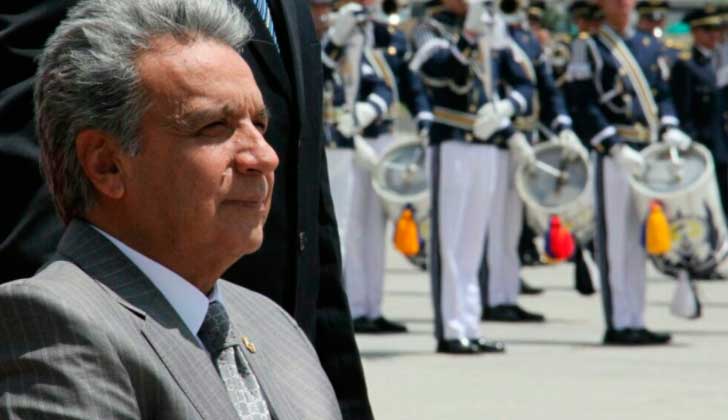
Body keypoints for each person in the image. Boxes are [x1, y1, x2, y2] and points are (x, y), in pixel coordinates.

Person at [0, 0, 374, 416]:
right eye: (215, 126)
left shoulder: (275, 325)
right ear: (106, 164)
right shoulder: (56, 328)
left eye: (260, 125)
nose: (265, 157)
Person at [410, 0, 533, 354]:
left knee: (473, 241)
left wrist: (508, 107)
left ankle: (470, 324)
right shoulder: (429, 28)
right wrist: (468, 36)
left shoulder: (493, 27)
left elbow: (524, 81)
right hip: (451, 140)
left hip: (487, 142)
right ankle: (451, 330)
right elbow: (438, 70)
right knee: (450, 240)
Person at [569, 0, 691, 345]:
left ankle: (636, 318)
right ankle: (618, 322)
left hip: (647, 152)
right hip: (616, 153)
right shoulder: (589, 47)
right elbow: (582, 102)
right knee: (616, 241)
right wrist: (612, 145)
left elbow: (662, 94)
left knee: (639, 240)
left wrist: (670, 126)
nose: (622, 5)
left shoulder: (648, 45)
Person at [322, 0, 432, 334]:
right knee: (352, 225)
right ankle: (354, 307)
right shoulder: (337, 29)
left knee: (375, 226)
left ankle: (372, 305)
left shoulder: (386, 34)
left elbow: (397, 82)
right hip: (348, 138)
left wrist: (421, 115)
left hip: (379, 135)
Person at [671, 8, 727, 217]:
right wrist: (694, 147)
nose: (714, 35)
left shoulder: (720, 59)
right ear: (695, 32)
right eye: (707, 30)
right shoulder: (686, 65)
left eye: (717, 30)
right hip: (708, 145)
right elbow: (684, 111)